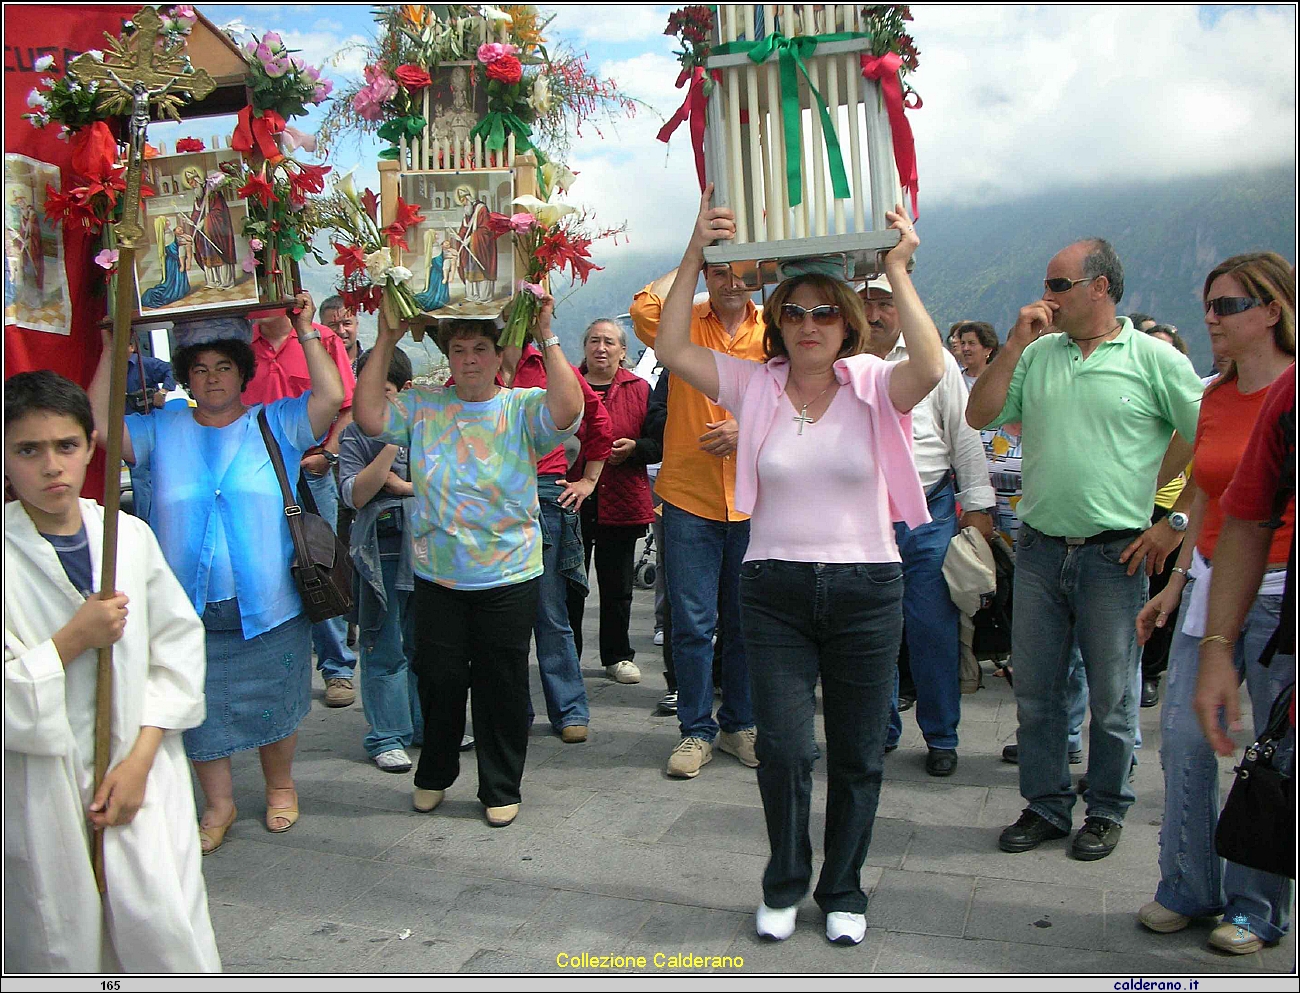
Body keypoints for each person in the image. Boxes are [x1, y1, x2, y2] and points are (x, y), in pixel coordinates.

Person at [654, 188, 942, 945]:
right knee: (783, 748)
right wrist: (694, 251)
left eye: (824, 313)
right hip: (773, 586)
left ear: (847, 322)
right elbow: (673, 348)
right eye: (795, 313)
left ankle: (843, 887)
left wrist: (898, 269)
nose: (809, 325)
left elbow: (932, 366)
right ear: (778, 323)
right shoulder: (754, 385)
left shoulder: (872, 383)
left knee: (857, 751)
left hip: (867, 588)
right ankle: (784, 881)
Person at [967, 238, 1205, 861]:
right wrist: (1013, 344)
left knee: (1113, 697)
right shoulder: (1038, 353)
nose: (1046, 296)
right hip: (1041, 549)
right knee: (1037, 693)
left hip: (1116, 554)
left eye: (1058, 285)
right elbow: (979, 415)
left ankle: (1105, 808)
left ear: (1100, 287)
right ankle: (1046, 805)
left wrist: (1173, 520)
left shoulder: (1153, 358)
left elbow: (1212, 439)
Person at [89, 295, 345, 853]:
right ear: (186, 376)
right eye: (200, 369)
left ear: (242, 372)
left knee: (276, 699)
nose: (212, 378)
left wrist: (305, 328)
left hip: (271, 603)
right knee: (199, 711)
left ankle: (280, 788)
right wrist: (113, 348)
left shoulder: (275, 422)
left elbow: (330, 397)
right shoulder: (160, 429)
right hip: (186, 609)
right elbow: (99, 426)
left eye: (223, 366)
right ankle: (219, 804)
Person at [4, 371, 221, 972]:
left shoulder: (127, 537)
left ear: (90, 447)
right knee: (63, 940)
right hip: (41, 788)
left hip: (140, 768)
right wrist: (72, 640)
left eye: (66, 446)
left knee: (163, 928)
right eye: (28, 450)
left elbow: (177, 650)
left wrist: (140, 760)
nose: (52, 466)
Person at [352, 303, 583, 826]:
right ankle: (435, 772)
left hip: (509, 573)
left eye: (481, 348)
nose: (470, 359)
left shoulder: (520, 407)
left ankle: (500, 785)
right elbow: (368, 415)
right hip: (439, 573)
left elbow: (566, 411)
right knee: (439, 679)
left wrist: (546, 333)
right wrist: (386, 339)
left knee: (502, 684)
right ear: (448, 357)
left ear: (500, 355)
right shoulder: (423, 404)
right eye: (459, 349)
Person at [1135, 252, 1295, 953]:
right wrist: (1176, 582)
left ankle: (1255, 906)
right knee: (1184, 741)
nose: (1210, 318)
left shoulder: (1290, 394)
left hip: (1281, 594)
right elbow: (1207, 491)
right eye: (1207, 304)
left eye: (1226, 306)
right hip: (1210, 584)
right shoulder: (1215, 397)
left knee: (1273, 753)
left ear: (1273, 311)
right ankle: (1187, 884)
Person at [631, 230, 766, 780]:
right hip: (689, 498)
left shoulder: (773, 329)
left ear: (757, 275)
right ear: (707, 276)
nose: (731, 282)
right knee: (690, 623)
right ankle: (695, 729)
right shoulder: (683, 321)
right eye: (720, 271)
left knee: (746, 623)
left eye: (742, 271)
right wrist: (695, 249)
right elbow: (643, 306)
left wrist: (746, 427)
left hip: (755, 499)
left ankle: (740, 724)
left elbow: (795, 394)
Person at [862, 280, 996, 777]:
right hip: (861, 516)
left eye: (885, 303)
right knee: (869, 629)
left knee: (932, 627)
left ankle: (941, 736)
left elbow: (965, 433)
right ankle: (879, 729)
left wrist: (978, 506)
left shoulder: (931, 357)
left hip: (928, 512)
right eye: (866, 303)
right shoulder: (841, 356)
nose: (875, 314)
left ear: (903, 306)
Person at [243, 301, 359, 708]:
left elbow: (347, 408)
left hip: (310, 470)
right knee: (262, 566)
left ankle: (337, 668)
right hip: (255, 472)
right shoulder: (239, 343)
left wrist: (328, 454)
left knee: (318, 562)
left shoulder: (321, 340)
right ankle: (272, 671)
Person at [498, 328, 610, 738]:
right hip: (490, 498)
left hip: (545, 492)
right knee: (502, 616)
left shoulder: (548, 362)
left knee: (549, 610)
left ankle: (569, 710)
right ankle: (513, 711)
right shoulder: (476, 360)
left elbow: (598, 420)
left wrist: (588, 481)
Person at [339, 345, 422, 773]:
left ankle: (425, 724)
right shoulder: (355, 434)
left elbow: (447, 483)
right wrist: (390, 445)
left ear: (404, 390)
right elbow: (355, 493)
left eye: (384, 391)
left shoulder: (427, 427)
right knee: (383, 643)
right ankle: (386, 735)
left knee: (424, 644)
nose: (373, 399)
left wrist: (402, 487)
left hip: (425, 551)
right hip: (379, 550)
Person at [566, 319, 657, 684]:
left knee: (617, 586)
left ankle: (617, 656)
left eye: (608, 342)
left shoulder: (640, 389)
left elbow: (659, 442)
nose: (600, 348)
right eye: (593, 340)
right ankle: (566, 657)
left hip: (621, 497)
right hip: (571, 496)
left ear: (623, 351)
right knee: (570, 584)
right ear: (584, 347)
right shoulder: (567, 384)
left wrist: (635, 449)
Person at [141, 216, 192, 309]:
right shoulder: (166, 235)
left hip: (174, 259)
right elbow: (172, 249)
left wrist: (184, 243)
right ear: (163, 224)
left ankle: (182, 290)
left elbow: (175, 243)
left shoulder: (169, 232)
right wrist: (181, 259)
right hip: (173, 260)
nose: (168, 221)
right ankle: (175, 292)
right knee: (173, 279)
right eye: (166, 221)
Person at [319, 294, 361, 370]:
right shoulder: (315, 367)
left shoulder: (372, 364)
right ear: (322, 328)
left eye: (347, 323)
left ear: (356, 324)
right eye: (333, 325)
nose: (341, 331)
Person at [954, 321, 999, 388]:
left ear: (988, 350)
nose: (965, 348)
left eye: (971, 343)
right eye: (963, 343)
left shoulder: (998, 380)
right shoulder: (955, 380)